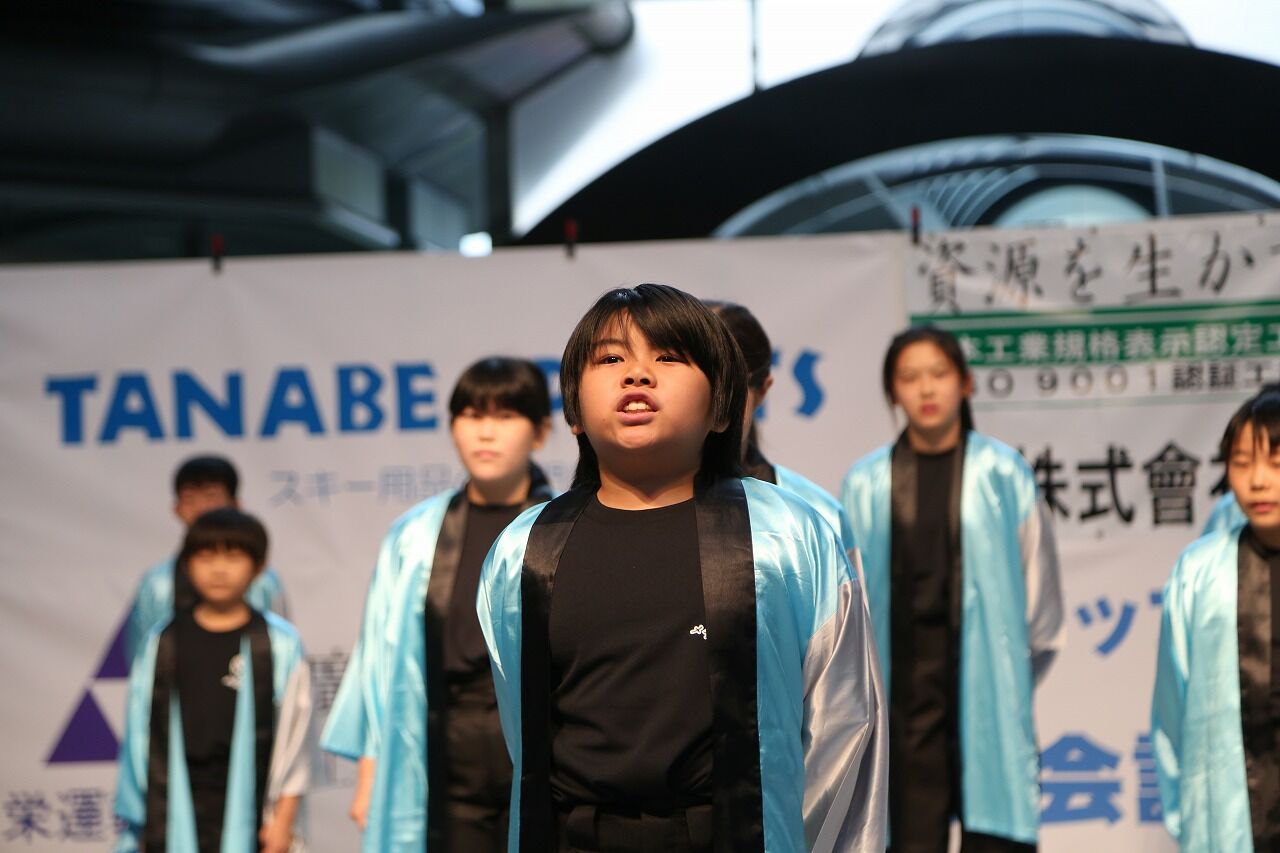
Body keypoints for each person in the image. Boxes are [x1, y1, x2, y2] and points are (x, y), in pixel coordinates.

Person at [479, 283, 887, 852]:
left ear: (723, 406)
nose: (637, 374)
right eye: (611, 359)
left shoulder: (789, 538)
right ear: (573, 410)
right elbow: (523, 730)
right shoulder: (522, 551)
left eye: (668, 357)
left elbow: (844, 727)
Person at [840, 325, 1064, 852]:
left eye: (938, 374)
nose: (926, 389)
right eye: (910, 377)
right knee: (907, 835)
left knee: (997, 835)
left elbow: (1040, 597)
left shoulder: (1003, 473)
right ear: (892, 392)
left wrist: (1010, 672)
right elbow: (849, 602)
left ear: (966, 383)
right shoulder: (866, 483)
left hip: (986, 686)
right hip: (904, 697)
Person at [322, 357, 554, 852]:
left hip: (543, 742)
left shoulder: (564, 529)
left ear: (541, 432)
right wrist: (371, 773)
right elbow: (379, 664)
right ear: (451, 428)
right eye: (472, 415)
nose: (486, 432)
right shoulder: (414, 536)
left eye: (506, 415)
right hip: (445, 746)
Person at [114, 508, 311, 853]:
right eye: (205, 557)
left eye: (233, 557)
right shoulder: (163, 641)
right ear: (187, 565)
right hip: (175, 800)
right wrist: (142, 820)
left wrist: (283, 821)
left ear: (258, 566)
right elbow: (139, 733)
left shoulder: (279, 644)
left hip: (250, 805)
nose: (219, 569)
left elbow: (297, 739)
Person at [1151, 388, 1280, 852]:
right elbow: (1172, 708)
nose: (1258, 481)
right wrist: (1189, 817)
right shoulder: (1199, 572)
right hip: (1228, 820)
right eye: (1242, 463)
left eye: (1276, 464)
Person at [705, 300, 856, 556]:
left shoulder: (819, 516)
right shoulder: (639, 503)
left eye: (726, 388)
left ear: (762, 390)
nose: (706, 404)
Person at [124, 455, 288, 667]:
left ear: (235, 504)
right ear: (177, 509)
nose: (201, 508)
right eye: (190, 499)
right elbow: (141, 657)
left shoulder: (264, 580)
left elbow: (281, 650)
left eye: (211, 496)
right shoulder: (157, 583)